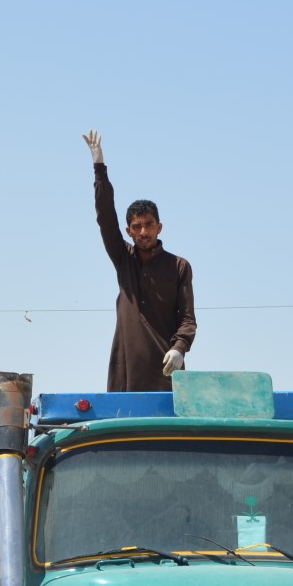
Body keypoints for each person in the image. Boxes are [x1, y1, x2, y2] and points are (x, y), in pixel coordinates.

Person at [82, 129, 197, 392]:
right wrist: (99, 168)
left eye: (149, 225)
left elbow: (188, 318)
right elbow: (105, 218)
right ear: (128, 231)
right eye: (137, 226)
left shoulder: (179, 266)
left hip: (166, 371)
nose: (143, 232)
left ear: (160, 227)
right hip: (126, 371)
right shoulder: (124, 259)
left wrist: (179, 349)